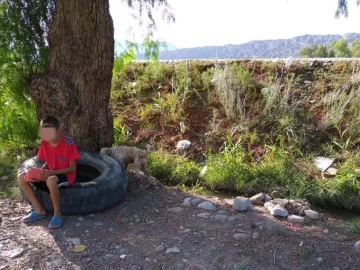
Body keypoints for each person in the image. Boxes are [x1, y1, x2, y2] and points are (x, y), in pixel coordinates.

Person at [18, 116, 80, 229]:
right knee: (22, 177)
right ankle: (39, 210)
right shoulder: (44, 143)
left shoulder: (68, 143)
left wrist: (51, 172)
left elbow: (72, 169)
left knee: (51, 180)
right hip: (50, 172)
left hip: (65, 175)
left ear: (59, 130)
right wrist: (42, 170)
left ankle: (57, 214)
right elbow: (48, 159)